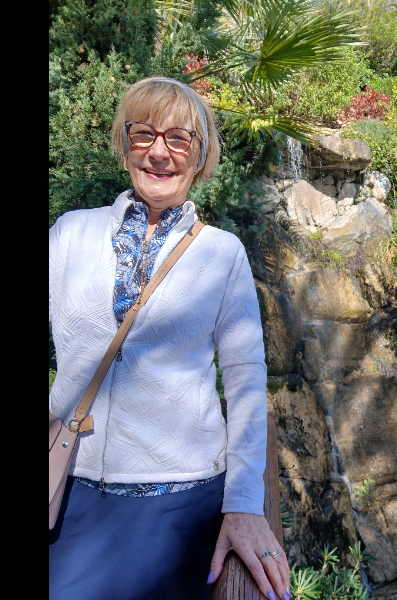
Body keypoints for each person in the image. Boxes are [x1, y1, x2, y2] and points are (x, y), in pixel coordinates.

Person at [49, 76, 290, 600]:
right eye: (144, 134)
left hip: (180, 506)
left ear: (199, 157)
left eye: (179, 139)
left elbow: (247, 383)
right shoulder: (69, 234)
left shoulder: (222, 253)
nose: (159, 152)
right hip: (68, 490)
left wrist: (244, 505)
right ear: (125, 145)